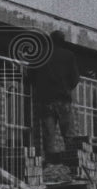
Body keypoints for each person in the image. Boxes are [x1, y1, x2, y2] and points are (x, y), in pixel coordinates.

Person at [30, 29, 81, 163]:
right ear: (62, 41)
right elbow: (75, 79)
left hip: (45, 101)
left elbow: (30, 77)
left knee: (49, 137)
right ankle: (72, 165)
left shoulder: (40, 54)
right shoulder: (69, 55)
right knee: (68, 135)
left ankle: (51, 167)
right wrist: (65, 87)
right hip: (63, 100)